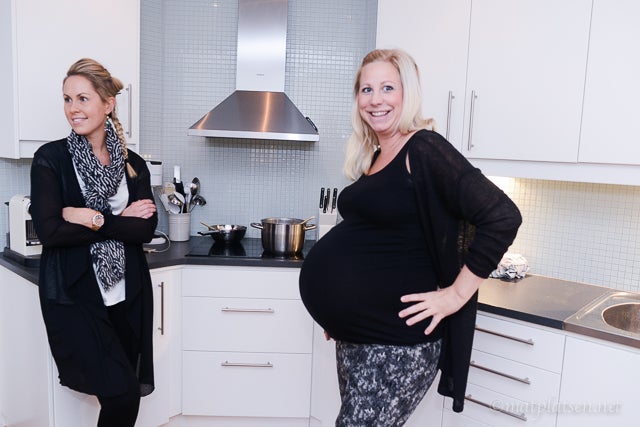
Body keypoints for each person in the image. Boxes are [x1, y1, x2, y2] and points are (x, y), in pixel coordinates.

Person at [299, 48, 522, 426]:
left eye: (388, 87)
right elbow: (381, 243)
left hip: (395, 343)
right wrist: (342, 312)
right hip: (358, 337)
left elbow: (503, 216)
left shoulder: (423, 148)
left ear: (408, 94)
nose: (376, 99)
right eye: (366, 90)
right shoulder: (374, 156)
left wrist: (455, 295)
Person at [30, 58, 158, 427]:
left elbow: (145, 231)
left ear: (108, 104)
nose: (73, 108)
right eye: (67, 99)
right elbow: (51, 231)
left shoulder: (132, 164)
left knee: (120, 395)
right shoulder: (51, 159)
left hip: (127, 294)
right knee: (123, 394)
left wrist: (92, 217)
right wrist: (120, 220)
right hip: (75, 295)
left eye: (83, 99)